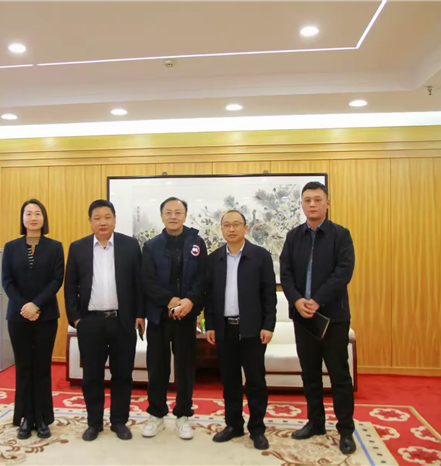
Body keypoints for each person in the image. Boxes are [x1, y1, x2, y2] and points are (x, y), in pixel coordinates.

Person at [279, 181, 357, 455]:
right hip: (303, 317)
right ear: (302, 204)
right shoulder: (293, 236)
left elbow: (344, 272)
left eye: (317, 199)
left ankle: (345, 430)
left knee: (339, 375)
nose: (312, 204)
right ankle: (316, 422)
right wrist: (297, 300)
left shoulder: (341, 235)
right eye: (307, 200)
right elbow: (285, 273)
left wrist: (317, 300)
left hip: (333, 317)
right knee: (310, 373)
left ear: (327, 203)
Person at [64, 199, 144, 442]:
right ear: (90, 221)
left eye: (107, 217)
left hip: (122, 322)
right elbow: (70, 287)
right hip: (90, 322)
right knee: (92, 376)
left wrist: (139, 314)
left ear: (115, 220)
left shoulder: (130, 246)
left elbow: (139, 283)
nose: (103, 222)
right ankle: (94, 423)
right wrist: (76, 319)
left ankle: (119, 422)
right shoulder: (78, 247)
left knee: (123, 375)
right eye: (97, 218)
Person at [204, 209, 277, 450]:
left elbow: (269, 295)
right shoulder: (214, 259)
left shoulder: (260, 256)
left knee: (255, 381)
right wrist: (210, 325)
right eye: (227, 225)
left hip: (252, 330)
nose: (232, 229)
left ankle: (257, 429)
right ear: (222, 229)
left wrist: (268, 325)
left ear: (246, 228)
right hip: (225, 329)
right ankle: (233, 425)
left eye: (236, 224)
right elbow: (209, 297)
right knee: (230, 381)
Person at [141, 197, 207, 440]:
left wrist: (189, 301)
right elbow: (147, 280)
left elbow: (203, 277)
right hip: (159, 316)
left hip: (186, 316)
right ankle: (156, 415)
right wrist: (170, 300)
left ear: (185, 215)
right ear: (162, 216)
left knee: (185, 368)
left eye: (178, 212)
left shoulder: (197, 242)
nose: (173, 216)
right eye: (168, 212)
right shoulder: (151, 246)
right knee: (157, 368)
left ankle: (183, 415)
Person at [2, 199, 65, 440]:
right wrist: (24, 306)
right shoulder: (10, 247)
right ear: (22, 218)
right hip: (18, 317)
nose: (33, 217)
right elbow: (7, 281)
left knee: (41, 367)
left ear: (44, 218)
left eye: (37, 213)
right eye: (28, 213)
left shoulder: (55, 247)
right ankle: (26, 418)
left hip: (45, 316)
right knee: (24, 368)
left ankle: (42, 418)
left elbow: (56, 280)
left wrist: (36, 304)